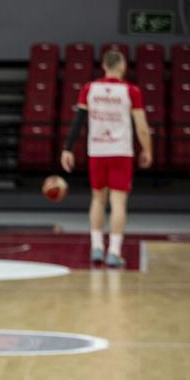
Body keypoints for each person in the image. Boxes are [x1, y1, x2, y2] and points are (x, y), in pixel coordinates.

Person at [61, 49, 152, 268]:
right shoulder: (131, 91)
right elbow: (141, 126)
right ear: (122, 66)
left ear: (104, 66)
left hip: (97, 151)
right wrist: (147, 149)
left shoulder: (89, 88)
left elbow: (78, 120)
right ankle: (114, 251)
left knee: (97, 200)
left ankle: (96, 248)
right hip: (121, 152)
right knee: (118, 202)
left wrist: (68, 148)